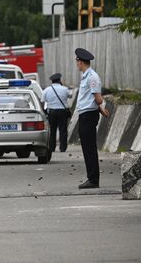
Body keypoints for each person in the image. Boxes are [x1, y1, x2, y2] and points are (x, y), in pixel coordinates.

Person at [75, 48, 109, 189]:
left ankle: (93, 180)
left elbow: (98, 99)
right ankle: (91, 177)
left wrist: (100, 106)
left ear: (81, 62)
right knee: (87, 147)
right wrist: (101, 111)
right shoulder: (86, 76)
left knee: (89, 148)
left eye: (77, 61)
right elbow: (93, 100)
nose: (76, 64)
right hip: (86, 114)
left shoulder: (92, 77)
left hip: (88, 116)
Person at [41, 73, 70, 152]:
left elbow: (43, 101)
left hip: (52, 112)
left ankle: (52, 147)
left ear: (52, 81)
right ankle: (63, 148)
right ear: (59, 80)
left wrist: (45, 111)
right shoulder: (64, 89)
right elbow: (69, 96)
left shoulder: (47, 90)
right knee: (63, 130)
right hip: (62, 112)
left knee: (52, 130)